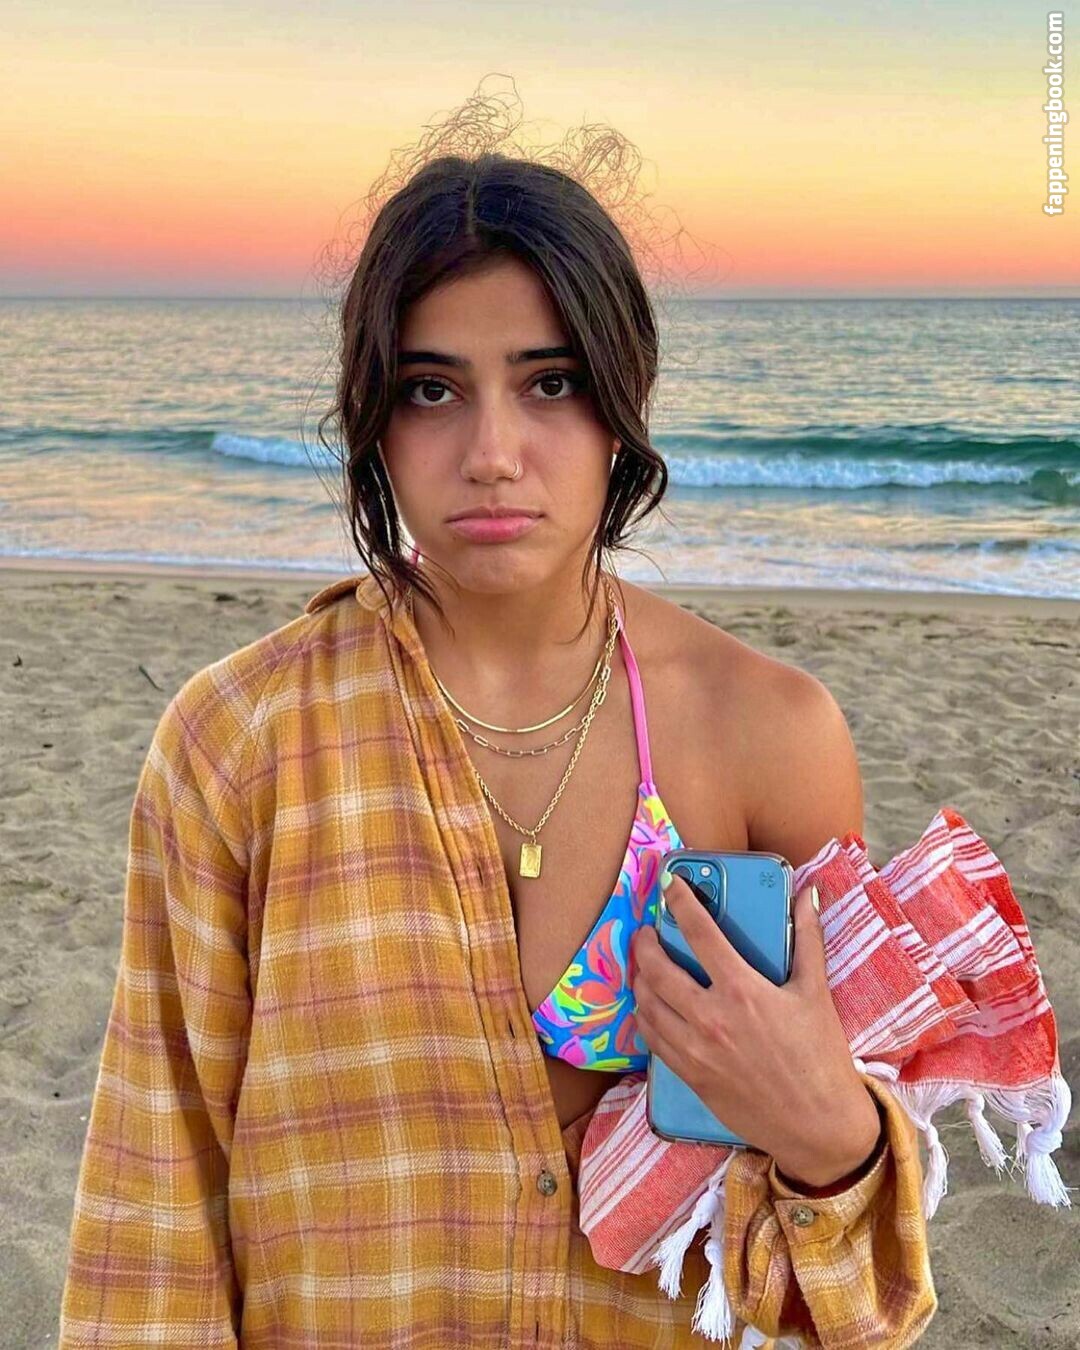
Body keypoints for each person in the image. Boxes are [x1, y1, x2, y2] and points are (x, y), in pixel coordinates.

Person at [59, 125, 936, 1347]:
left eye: (550, 382)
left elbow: (835, 1308)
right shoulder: (241, 745)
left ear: (623, 400)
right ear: (373, 419)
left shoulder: (767, 736)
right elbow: (157, 1203)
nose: (491, 454)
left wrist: (831, 1135)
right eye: (432, 389)